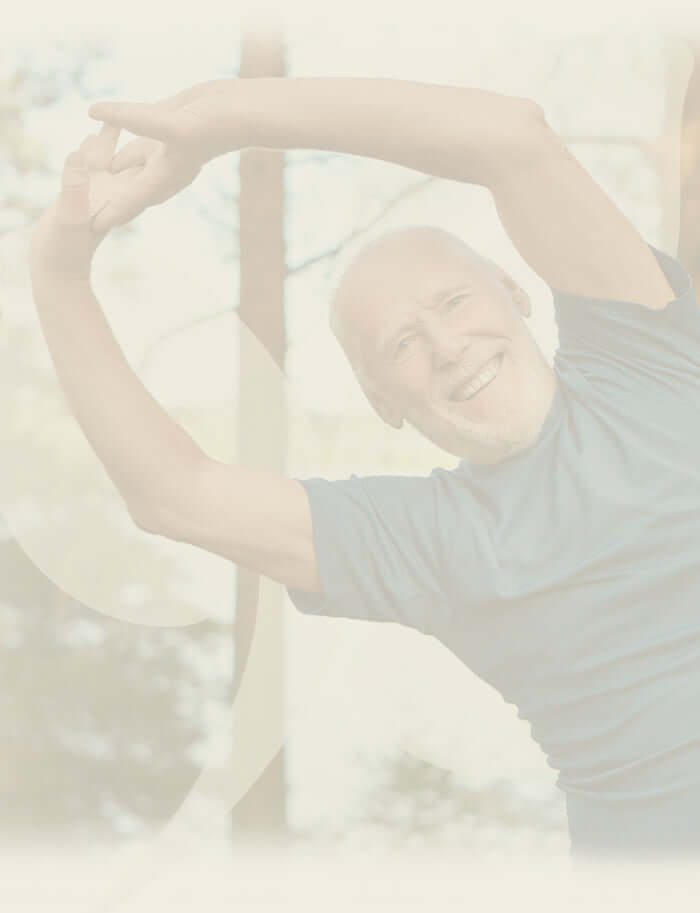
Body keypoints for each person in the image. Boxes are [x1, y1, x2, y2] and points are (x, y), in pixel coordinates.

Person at [30, 76, 700, 862]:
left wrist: (219, 118)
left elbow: (512, 137)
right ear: (384, 403)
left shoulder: (645, 356)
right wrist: (58, 272)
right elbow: (177, 494)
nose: (448, 347)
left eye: (453, 302)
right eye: (402, 345)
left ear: (516, 292)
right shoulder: (426, 541)